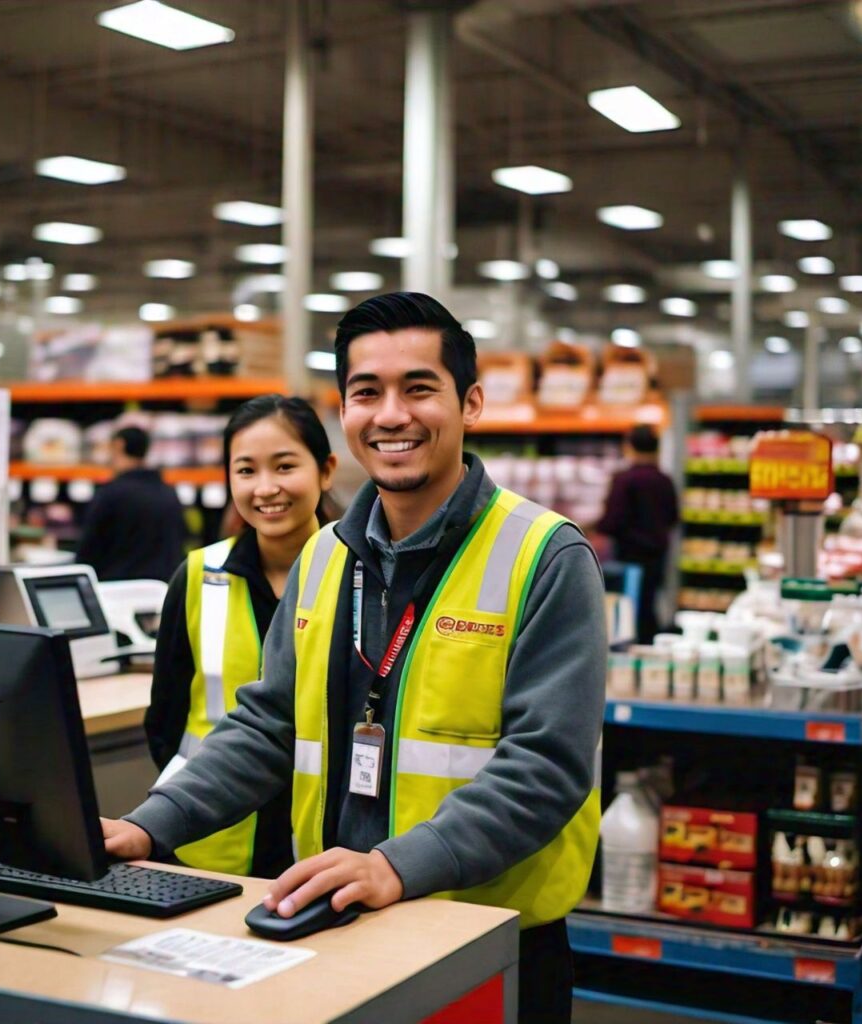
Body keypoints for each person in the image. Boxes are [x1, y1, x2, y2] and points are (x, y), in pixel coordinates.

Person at [103, 292, 605, 1023]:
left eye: (419, 388)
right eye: (367, 392)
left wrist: (396, 866)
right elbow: (267, 726)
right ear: (345, 411)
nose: (391, 414)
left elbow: (548, 764)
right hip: (342, 921)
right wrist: (151, 824)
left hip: (488, 938)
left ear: (471, 404)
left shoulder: (545, 556)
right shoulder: (326, 557)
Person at [144, 395, 337, 877]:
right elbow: (165, 718)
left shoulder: (360, 577)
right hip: (209, 839)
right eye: (246, 471)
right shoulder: (196, 577)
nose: (265, 488)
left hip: (322, 844)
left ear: (326, 470)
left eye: (285, 466)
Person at [597, 424, 678, 643]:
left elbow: (611, 522)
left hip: (628, 558)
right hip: (657, 557)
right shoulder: (665, 480)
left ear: (629, 446)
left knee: (626, 613)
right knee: (648, 607)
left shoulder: (624, 480)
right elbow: (673, 518)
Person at [74, 426, 187, 582]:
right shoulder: (169, 493)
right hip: (161, 590)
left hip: (116, 592)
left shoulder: (110, 494)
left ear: (119, 445)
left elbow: (88, 551)